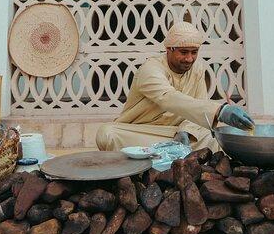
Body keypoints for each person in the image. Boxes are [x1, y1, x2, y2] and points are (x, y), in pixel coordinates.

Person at [96, 21, 255, 151]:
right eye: (184, 52)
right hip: (143, 132)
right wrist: (220, 111)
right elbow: (168, 97)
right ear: (168, 49)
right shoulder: (151, 68)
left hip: (175, 134)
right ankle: (169, 153)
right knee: (107, 133)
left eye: (194, 52)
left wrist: (185, 131)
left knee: (213, 138)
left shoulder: (197, 69)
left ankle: (172, 152)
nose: (189, 59)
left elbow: (198, 105)